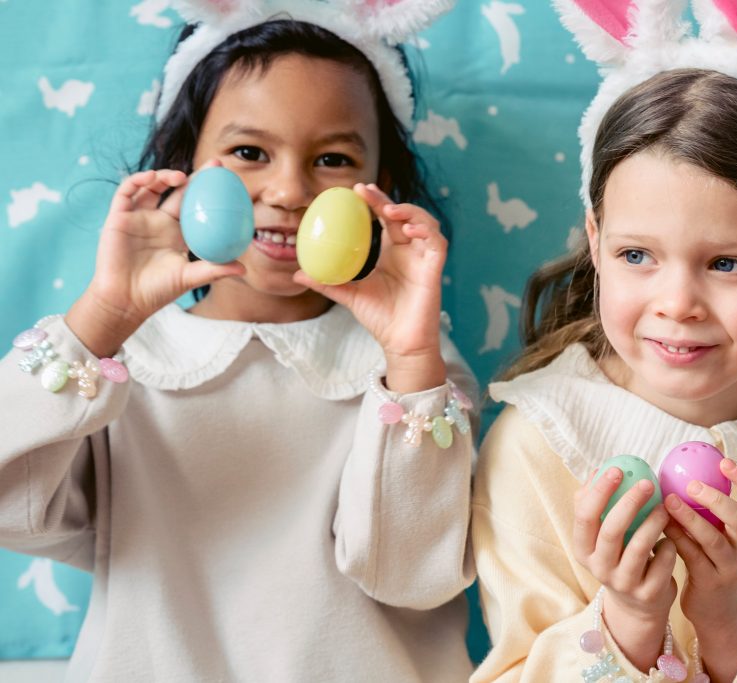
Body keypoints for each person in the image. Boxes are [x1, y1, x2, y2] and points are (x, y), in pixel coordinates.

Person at [0, 2, 478, 680]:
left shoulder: (415, 370)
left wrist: (410, 360)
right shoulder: (122, 357)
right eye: (249, 152)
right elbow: (13, 508)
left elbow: (414, 572)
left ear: (383, 191)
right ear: (181, 168)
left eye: (333, 159)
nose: (287, 191)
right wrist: (102, 314)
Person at [470, 1, 737, 681]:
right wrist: (628, 622)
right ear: (596, 243)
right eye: (637, 255)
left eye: (727, 263)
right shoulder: (537, 443)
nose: (677, 304)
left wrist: (726, 618)